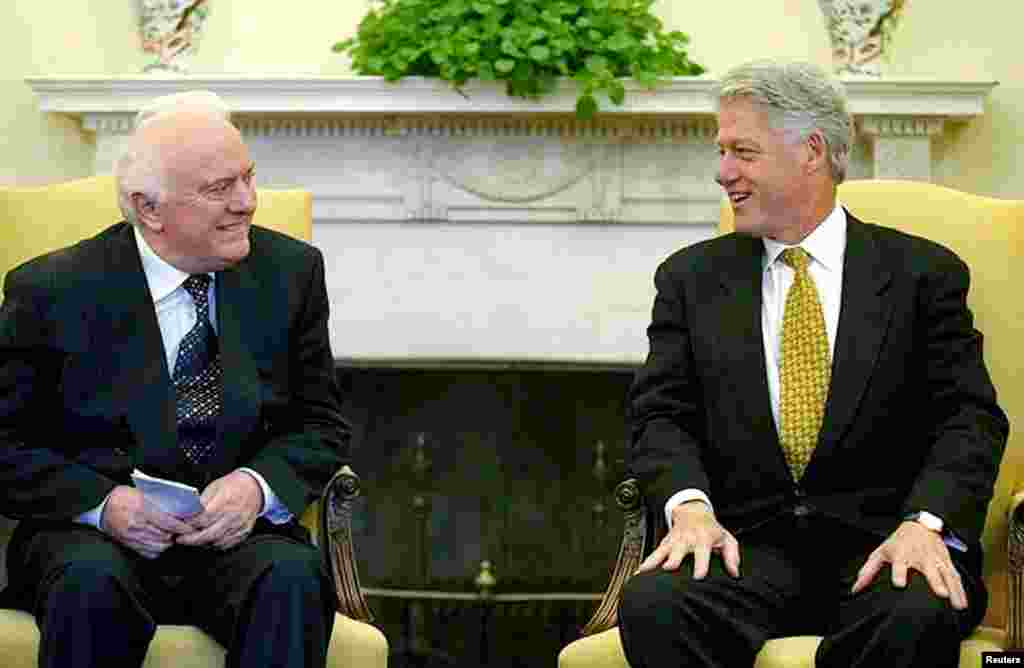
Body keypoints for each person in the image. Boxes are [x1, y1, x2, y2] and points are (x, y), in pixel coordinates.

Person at [618, 60, 1009, 668]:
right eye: (722, 152)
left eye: (741, 151)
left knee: (916, 611)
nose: (724, 173)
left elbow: (970, 419)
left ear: (812, 151)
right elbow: (660, 413)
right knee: (656, 603)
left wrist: (926, 524)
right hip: (745, 551)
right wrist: (688, 508)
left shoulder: (923, 274)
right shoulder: (690, 280)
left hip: (886, 547)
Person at [0, 91, 350, 668]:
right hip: (93, 538)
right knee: (89, 583)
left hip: (240, 539)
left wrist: (255, 488)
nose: (248, 203)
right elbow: (5, 443)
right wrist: (104, 504)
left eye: (248, 178)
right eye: (219, 188)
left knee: (292, 575)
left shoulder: (292, 272)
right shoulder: (52, 290)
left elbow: (321, 424)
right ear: (149, 208)